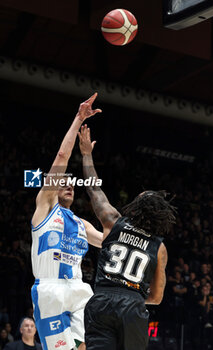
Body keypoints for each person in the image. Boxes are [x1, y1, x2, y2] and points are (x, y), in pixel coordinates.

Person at [78, 125, 176, 350]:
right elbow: (157, 297)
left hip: (101, 299)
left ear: (137, 206)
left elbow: (94, 191)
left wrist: (86, 155)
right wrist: (133, 295)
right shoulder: (159, 247)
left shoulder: (114, 221)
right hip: (132, 304)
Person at [31, 94, 103, 350]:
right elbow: (62, 155)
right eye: (63, 181)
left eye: (72, 182)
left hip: (78, 290)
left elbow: (110, 240)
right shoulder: (45, 208)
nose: (69, 183)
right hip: (51, 290)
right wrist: (78, 118)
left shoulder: (82, 224)